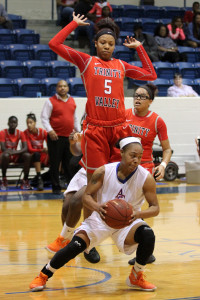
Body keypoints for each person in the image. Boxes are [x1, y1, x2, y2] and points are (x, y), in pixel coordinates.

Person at [46, 84, 171, 266]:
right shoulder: (123, 116)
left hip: (142, 169)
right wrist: (82, 138)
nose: (137, 98)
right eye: (136, 95)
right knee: (84, 203)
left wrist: (164, 165)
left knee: (131, 213)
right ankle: (82, 240)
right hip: (114, 166)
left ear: (151, 101)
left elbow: (167, 149)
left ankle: (141, 251)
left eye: (143, 96)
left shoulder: (157, 121)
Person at [29, 137, 160, 292]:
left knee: (148, 235)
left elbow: (155, 208)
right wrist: (98, 207)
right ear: (122, 152)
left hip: (128, 221)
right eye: (133, 155)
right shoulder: (104, 171)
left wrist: (138, 214)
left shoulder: (146, 178)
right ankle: (43, 275)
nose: (136, 160)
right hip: (101, 218)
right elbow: (86, 196)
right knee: (75, 246)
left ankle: (136, 275)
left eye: (139, 157)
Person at [48, 13, 157, 186]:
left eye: (111, 44)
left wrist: (139, 48)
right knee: (95, 181)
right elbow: (54, 44)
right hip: (96, 128)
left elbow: (151, 74)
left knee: (121, 179)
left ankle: (117, 211)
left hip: (119, 128)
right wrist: (74, 24)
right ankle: (93, 214)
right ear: (96, 43)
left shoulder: (121, 65)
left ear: (115, 46)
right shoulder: (86, 61)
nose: (107, 47)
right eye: (103, 43)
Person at [40, 79, 80, 195]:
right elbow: (44, 117)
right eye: (60, 86)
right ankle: (56, 187)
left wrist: (78, 132)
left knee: (69, 163)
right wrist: (50, 130)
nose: (62, 88)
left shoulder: (72, 101)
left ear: (68, 88)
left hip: (69, 138)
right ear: (56, 88)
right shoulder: (50, 101)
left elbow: (75, 119)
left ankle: (70, 187)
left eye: (64, 86)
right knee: (55, 163)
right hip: (55, 138)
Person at [0, 116, 32, 190]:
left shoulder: (20, 133)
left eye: (14, 122)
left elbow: (25, 148)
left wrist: (15, 152)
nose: (13, 124)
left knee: (27, 155)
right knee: (6, 155)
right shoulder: (3, 132)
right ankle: (4, 179)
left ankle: (25, 180)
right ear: (8, 123)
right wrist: (12, 152)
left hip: (14, 155)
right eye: (11, 122)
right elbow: (3, 148)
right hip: (5, 157)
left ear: (17, 124)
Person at [24, 113, 48, 191]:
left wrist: (48, 149)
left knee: (55, 154)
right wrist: (41, 150)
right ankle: (39, 179)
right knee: (36, 154)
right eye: (27, 123)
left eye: (31, 123)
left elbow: (50, 145)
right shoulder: (25, 133)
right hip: (32, 157)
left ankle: (59, 177)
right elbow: (30, 149)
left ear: (35, 123)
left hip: (42, 156)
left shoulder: (42, 132)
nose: (29, 125)